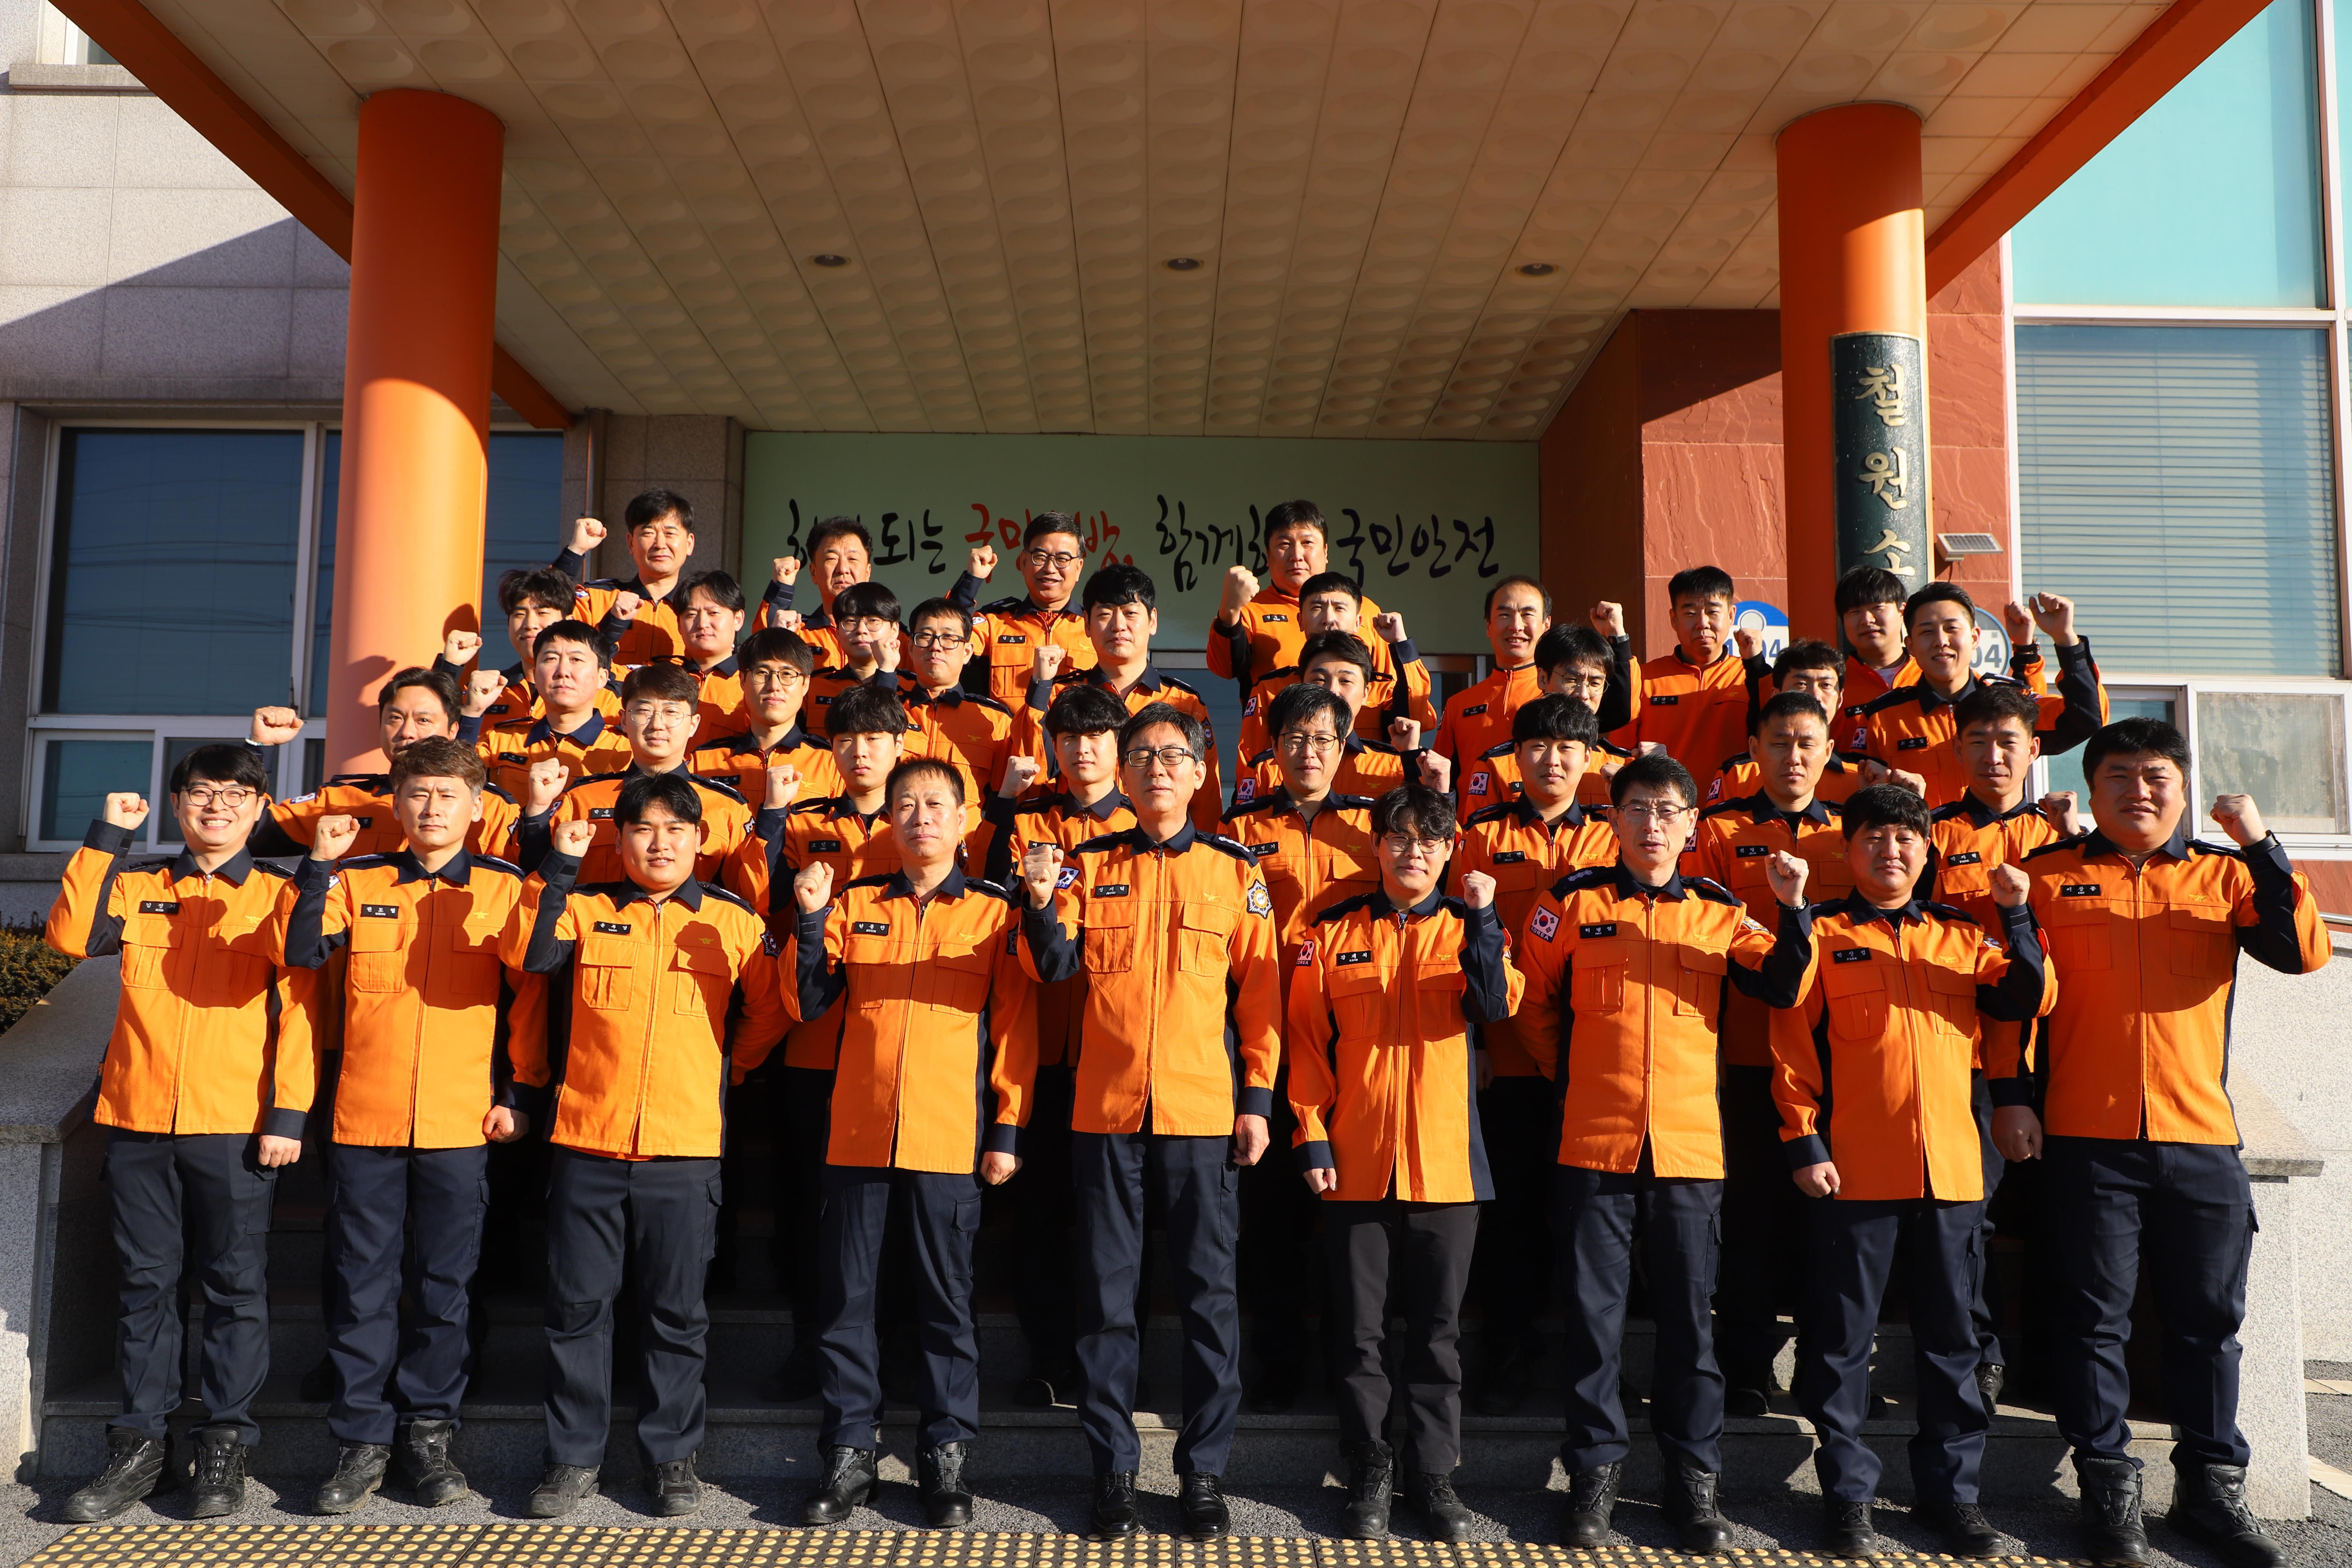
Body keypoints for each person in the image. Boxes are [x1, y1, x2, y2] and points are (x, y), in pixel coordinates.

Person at [1997, 718, 2329, 1568]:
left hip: (2201, 1136)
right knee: (2093, 1321)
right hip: (2086, 1135)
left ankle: (2211, 1492)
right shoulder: (2045, 877)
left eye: (2156, 776)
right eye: (2119, 776)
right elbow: (2008, 1000)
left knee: (2210, 1323)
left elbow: (2302, 953)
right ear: (2091, 787)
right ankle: (2108, 1494)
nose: (2138, 791)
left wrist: (2263, 846)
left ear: (2183, 789)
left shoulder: (2227, 875)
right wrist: (2011, 1097)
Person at [1513, 753, 1813, 1555]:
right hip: (1593, 1142)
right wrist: (1568, 1075)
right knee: (1594, 1323)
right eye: (1638, 808)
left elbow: (1783, 984)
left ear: (1691, 825)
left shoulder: (1720, 910)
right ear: (1613, 819)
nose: (1653, 824)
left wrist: (1793, 909)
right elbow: (1532, 1003)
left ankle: (1693, 1484)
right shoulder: (1571, 902)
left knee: (1688, 1324)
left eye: (1668, 810)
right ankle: (1594, 1480)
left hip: (1688, 1151)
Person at [1017, 703, 1280, 1538]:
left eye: (1173, 755)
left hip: (1203, 1113)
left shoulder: (1235, 871)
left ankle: (1204, 1472)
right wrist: (1038, 902)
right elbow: (1051, 967)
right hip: (1106, 1112)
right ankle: (1115, 1471)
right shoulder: (1088, 865)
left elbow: (1263, 998)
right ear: (1123, 775)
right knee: (1106, 1299)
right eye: (1142, 756)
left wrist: (1257, 1100)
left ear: (1202, 773)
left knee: (1209, 1297)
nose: (1157, 768)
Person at [1773, 784, 2055, 1560]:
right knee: (1841, 1340)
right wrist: (1803, 1142)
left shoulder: (1964, 935)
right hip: (1854, 1172)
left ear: (1928, 851)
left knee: (1952, 1340)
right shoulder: (1820, 932)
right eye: (1874, 837)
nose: (1890, 850)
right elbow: (1792, 1049)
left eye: (1905, 838)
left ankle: (1952, 1498)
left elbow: (2027, 998)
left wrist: (2018, 916)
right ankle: (1848, 1497)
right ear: (1849, 850)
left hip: (1951, 1172)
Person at [505, 772, 792, 1519]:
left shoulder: (733, 919)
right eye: (642, 829)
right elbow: (529, 956)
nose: (659, 843)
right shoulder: (586, 906)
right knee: (577, 1308)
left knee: (676, 1312)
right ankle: (572, 1459)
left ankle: (671, 1458)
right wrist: (560, 868)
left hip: (685, 1148)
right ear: (621, 839)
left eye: (675, 829)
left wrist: (729, 1068)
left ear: (700, 839)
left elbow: (770, 1010)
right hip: (587, 1143)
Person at [275, 737, 547, 1515]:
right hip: (364, 1116)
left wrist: (519, 1092)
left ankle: (429, 1434)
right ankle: (361, 1440)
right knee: (362, 1285)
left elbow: (529, 996)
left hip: (462, 1121)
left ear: (477, 807)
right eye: (418, 793)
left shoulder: (504, 885)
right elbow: (302, 953)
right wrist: (318, 867)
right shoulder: (355, 879)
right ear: (395, 803)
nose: (432, 808)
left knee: (444, 1286)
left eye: (448, 795)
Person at [47, 744, 319, 1522]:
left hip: (234, 1124)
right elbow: (73, 938)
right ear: (177, 803)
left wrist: (288, 1116)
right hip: (138, 1119)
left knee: (235, 1287)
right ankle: (141, 1445)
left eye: (236, 794)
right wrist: (107, 837)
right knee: (145, 1286)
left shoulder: (280, 893)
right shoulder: (139, 884)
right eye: (202, 791)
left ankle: (225, 1444)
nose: (217, 805)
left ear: (260, 809)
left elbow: (302, 1011)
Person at [788, 758, 1038, 1531]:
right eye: (906, 805)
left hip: (950, 1137)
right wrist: (808, 921)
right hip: (858, 1133)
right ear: (890, 821)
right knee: (847, 1302)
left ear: (965, 822)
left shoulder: (995, 911)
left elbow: (1014, 1028)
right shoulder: (855, 902)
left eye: (935, 804)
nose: (921, 816)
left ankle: (945, 1455)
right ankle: (849, 1451)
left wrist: (1006, 1128)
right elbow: (810, 1002)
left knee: (945, 1304)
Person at [1289, 782, 1521, 1542]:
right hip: (1354, 1160)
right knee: (1359, 1332)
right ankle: (1369, 1467)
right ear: (1377, 846)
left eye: (1430, 838)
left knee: (1437, 1332)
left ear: (1451, 850)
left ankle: (1433, 1474)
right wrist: (1311, 1134)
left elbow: (1496, 1005)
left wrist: (1483, 919)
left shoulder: (1472, 926)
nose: (1413, 850)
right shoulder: (1332, 930)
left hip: (1447, 1164)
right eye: (1399, 835)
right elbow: (1306, 1042)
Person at [726, 680, 910, 1400]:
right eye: (846, 740)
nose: (860, 752)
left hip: (898, 1048)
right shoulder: (803, 822)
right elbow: (759, 899)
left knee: (892, 1211)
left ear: (900, 747)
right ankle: (813, 1346)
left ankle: (890, 1350)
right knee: (810, 1209)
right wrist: (773, 818)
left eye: (875, 739)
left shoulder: (925, 824)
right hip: (814, 1044)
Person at [1684, 691, 1860, 1414]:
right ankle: (1748, 1369)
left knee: (1833, 1224)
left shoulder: (1854, 832)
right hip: (1750, 1052)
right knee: (1750, 1218)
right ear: (1754, 750)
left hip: (1842, 1057)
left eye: (1807, 743)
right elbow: (1702, 939)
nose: (1793, 757)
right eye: (1779, 743)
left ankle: (1826, 1371)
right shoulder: (1721, 830)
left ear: (1829, 752)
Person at [1451, 694, 1616, 1414]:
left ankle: (1600, 1365)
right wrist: (1475, 1043)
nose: (1553, 760)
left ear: (1590, 759)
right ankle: (1508, 1354)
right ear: (1514, 758)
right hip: (1509, 1059)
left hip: (1599, 1059)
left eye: (1568, 747)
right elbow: (1456, 945)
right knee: (1513, 1216)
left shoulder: (1613, 835)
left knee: (1594, 1221)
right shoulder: (1481, 836)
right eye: (1538, 747)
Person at [1221, 682, 1382, 1416]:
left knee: (1353, 1216)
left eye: (1323, 740)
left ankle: (1353, 1369)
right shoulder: (1241, 828)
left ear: (1344, 748)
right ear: (1272, 748)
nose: (1308, 752)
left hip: (1358, 1041)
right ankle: (1279, 1365)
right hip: (1270, 1039)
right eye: (1294, 738)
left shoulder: (1375, 826)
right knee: (1273, 1218)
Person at [979, 684, 1135, 1407]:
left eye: (1097, 736)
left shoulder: (1144, 822)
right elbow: (995, 903)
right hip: (1036, 1046)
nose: (1082, 750)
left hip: (1117, 1051)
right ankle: (1047, 1358)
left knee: (1111, 1221)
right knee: (1038, 1218)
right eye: (1068, 737)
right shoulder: (1027, 820)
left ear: (1119, 745)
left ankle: (1114, 1365)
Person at [1926, 683, 2081, 1406]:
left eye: (2008, 742)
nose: (1993, 755)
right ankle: (1982, 1352)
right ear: (1957, 751)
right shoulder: (1932, 836)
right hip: (1971, 1055)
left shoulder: (2064, 840)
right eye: (1979, 741)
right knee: (1972, 1213)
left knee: (2064, 1216)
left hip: (2061, 1052)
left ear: (2035, 750)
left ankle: (2051, 1365)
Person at [1856, 585, 2102, 808]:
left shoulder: (2010, 706)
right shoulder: (1881, 716)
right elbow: (1857, 789)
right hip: (1921, 842)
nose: (1941, 641)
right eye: (1927, 632)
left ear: (1975, 638)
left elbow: (2086, 719)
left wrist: (2066, 639)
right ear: (1910, 646)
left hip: (2001, 841)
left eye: (1952, 629)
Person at [1020, 564, 1225, 833]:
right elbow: (1034, 776)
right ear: (1087, 624)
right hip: (1070, 843)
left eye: (1130, 613)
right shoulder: (1059, 695)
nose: (1118, 626)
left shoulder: (1185, 703)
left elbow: (1205, 799)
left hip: (1154, 848)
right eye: (1105, 614)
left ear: (1153, 621)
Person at [249, 668, 521, 860]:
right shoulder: (339, 801)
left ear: (453, 730)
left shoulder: (492, 808)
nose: (407, 732)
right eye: (395, 719)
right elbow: (249, 831)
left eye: (424, 720)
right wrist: (260, 749)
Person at [519, 663, 752, 886]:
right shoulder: (581, 800)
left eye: (671, 713)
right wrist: (537, 811)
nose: (657, 725)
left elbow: (745, 894)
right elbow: (538, 878)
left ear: (693, 724)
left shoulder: (727, 809)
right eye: (643, 712)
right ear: (623, 720)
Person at [1233, 570, 1435, 753]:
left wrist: (1401, 644)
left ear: (1358, 622)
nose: (1329, 618)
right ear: (1301, 621)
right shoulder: (1271, 691)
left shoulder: (1379, 691)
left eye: (1339, 608)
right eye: (1317, 608)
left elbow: (1417, 718)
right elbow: (1254, 764)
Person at [1205, 499, 1386, 693]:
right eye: (1284, 544)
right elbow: (1225, 669)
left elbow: (1389, 686)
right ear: (1267, 555)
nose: (1297, 555)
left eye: (1307, 543)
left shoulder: (1365, 610)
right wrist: (1230, 610)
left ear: (1326, 551)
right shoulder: (1250, 611)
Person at [1237, 632, 1436, 805]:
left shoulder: (1395, 766)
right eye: (1319, 680)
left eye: (1345, 681)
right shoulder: (1266, 768)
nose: (1332, 691)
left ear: (1366, 693)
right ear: (1302, 685)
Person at [1457, 624, 1633, 815]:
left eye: (1595, 683)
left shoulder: (1624, 768)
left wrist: (1629, 789)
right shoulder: (1496, 765)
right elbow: (1478, 833)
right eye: (1572, 680)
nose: (1584, 694)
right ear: (1543, 678)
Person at [950, 511, 1099, 711]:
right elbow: (946, 641)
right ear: (1023, 562)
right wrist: (972, 580)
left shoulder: (1096, 629)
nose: (1050, 568)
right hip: (1008, 732)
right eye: (1040, 557)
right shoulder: (995, 625)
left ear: (1079, 568)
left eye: (1063, 559)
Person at [433, 566, 617, 727]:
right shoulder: (484, 692)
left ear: (569, 621)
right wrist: (449, 668)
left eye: (542, 613)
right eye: (520, 614)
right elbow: (429, 730)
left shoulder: (609, 701)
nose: (530, 624)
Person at [477, 622, 635, 805]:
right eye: (551, 659)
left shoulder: (626, 750)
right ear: (536, 675)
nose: (562, 672)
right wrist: (473, 713)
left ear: (602, 678)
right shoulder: (497, 741)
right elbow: (457, 781)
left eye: (576, 660)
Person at [1614, 566, 1749, 779]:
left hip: (1736, 800)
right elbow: (1618, 757)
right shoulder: (1643, 678)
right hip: (1663, 800)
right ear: (1674, 619)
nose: (1703, 623)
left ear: (1731, 615)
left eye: (1713, 612)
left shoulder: (1751, 678)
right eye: (1690, 613)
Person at [688, 626, 844, 806]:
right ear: (743, 680)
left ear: (805, 685)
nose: (774, 686)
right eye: (762, 673)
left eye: (787, 674)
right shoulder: (703, 761)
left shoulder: (833, 763)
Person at [1705, 641, 1874, 807]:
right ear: (1775, 694)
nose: (1815, 695)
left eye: (1826, 685)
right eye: (1801, 684)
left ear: (1840, 699)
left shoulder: (1860, 779)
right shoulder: (1740, 774)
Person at [1432, 577, 1553, 804]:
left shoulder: (1559, 697)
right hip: (1472, 824)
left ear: (1546, 625)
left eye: (1527, 614)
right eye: (1504, 615)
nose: (1516, 626)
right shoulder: (1459, 704)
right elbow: (1439, 780)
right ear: (1489, 626)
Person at [895, 596, 1018, 813]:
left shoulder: (996, 722)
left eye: (949, 638)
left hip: (968, 834)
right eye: (925, 637)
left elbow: (1003, 799)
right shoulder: (888, 710)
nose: (936, 647)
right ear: (911, 648)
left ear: (967, 652)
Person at [554, 490, 701, 667]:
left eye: (670, 534)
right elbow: (543, 612)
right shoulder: (596, 599)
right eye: (648, 533)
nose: (660, 544)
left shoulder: (699, 614)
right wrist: (575, 550)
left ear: (689, 544)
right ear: (631, 543)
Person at [763, 516, 875, 666]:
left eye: (853, 559)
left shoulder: (892, 636)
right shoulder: (796, 633)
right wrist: (781, 589)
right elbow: (759, 658)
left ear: (868, 572)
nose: (843, 569)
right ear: (813, 572)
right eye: (831, 559)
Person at [656, 568, 752, 736]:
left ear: (738, 620)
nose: (702, 623)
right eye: (691, 615)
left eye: (713, 613)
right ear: (679, 625)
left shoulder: (753, 683)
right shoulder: (662, 680)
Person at [807, 581, 908, 734]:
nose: (861, 630)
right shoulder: (812, 689)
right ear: (838, 632)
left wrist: (887, 672)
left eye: (873, 621)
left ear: (894, 630)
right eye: (850, 621)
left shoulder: (912, 692)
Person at [1834, 565, 1920, 716]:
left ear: (1902, 612)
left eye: (1877, 608)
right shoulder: (1833, 684)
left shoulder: (1930, 675)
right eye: (1855, 612)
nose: (1867, 620)